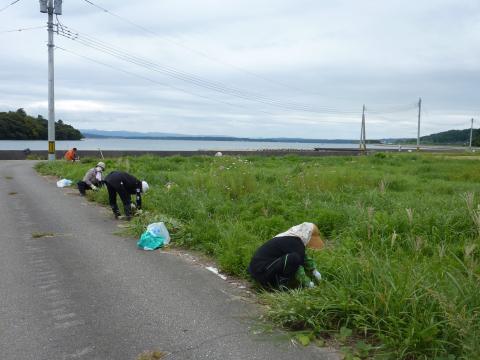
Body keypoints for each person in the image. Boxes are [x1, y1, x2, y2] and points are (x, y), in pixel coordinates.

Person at [248, 222, 324, 289]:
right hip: (262, 272)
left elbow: (304, 257)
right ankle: (281, 285)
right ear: (307, 235)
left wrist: (314, 271)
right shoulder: (295, 243)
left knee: (295, 257)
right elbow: (298, 266)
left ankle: (275, 283)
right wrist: (308, 284)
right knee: (294, 258)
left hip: (258, 270)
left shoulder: (289, 239)